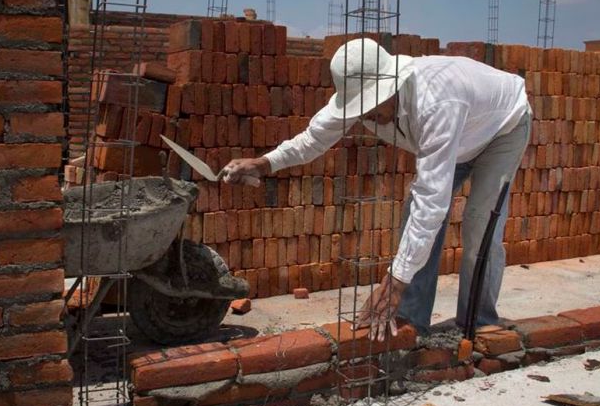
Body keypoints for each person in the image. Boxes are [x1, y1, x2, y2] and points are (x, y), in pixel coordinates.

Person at [224, 38, 531, 341]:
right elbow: (313, 139)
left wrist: (394, 281)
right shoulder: (362, 101)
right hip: (458, 136)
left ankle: (477, 322)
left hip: (501, 129)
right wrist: (263, 164)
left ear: (393, 86)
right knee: (415, 213)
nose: (365, 115)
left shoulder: (435, 102)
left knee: (480, 223)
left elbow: (432, 203)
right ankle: (411, 324)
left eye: (370, 105)